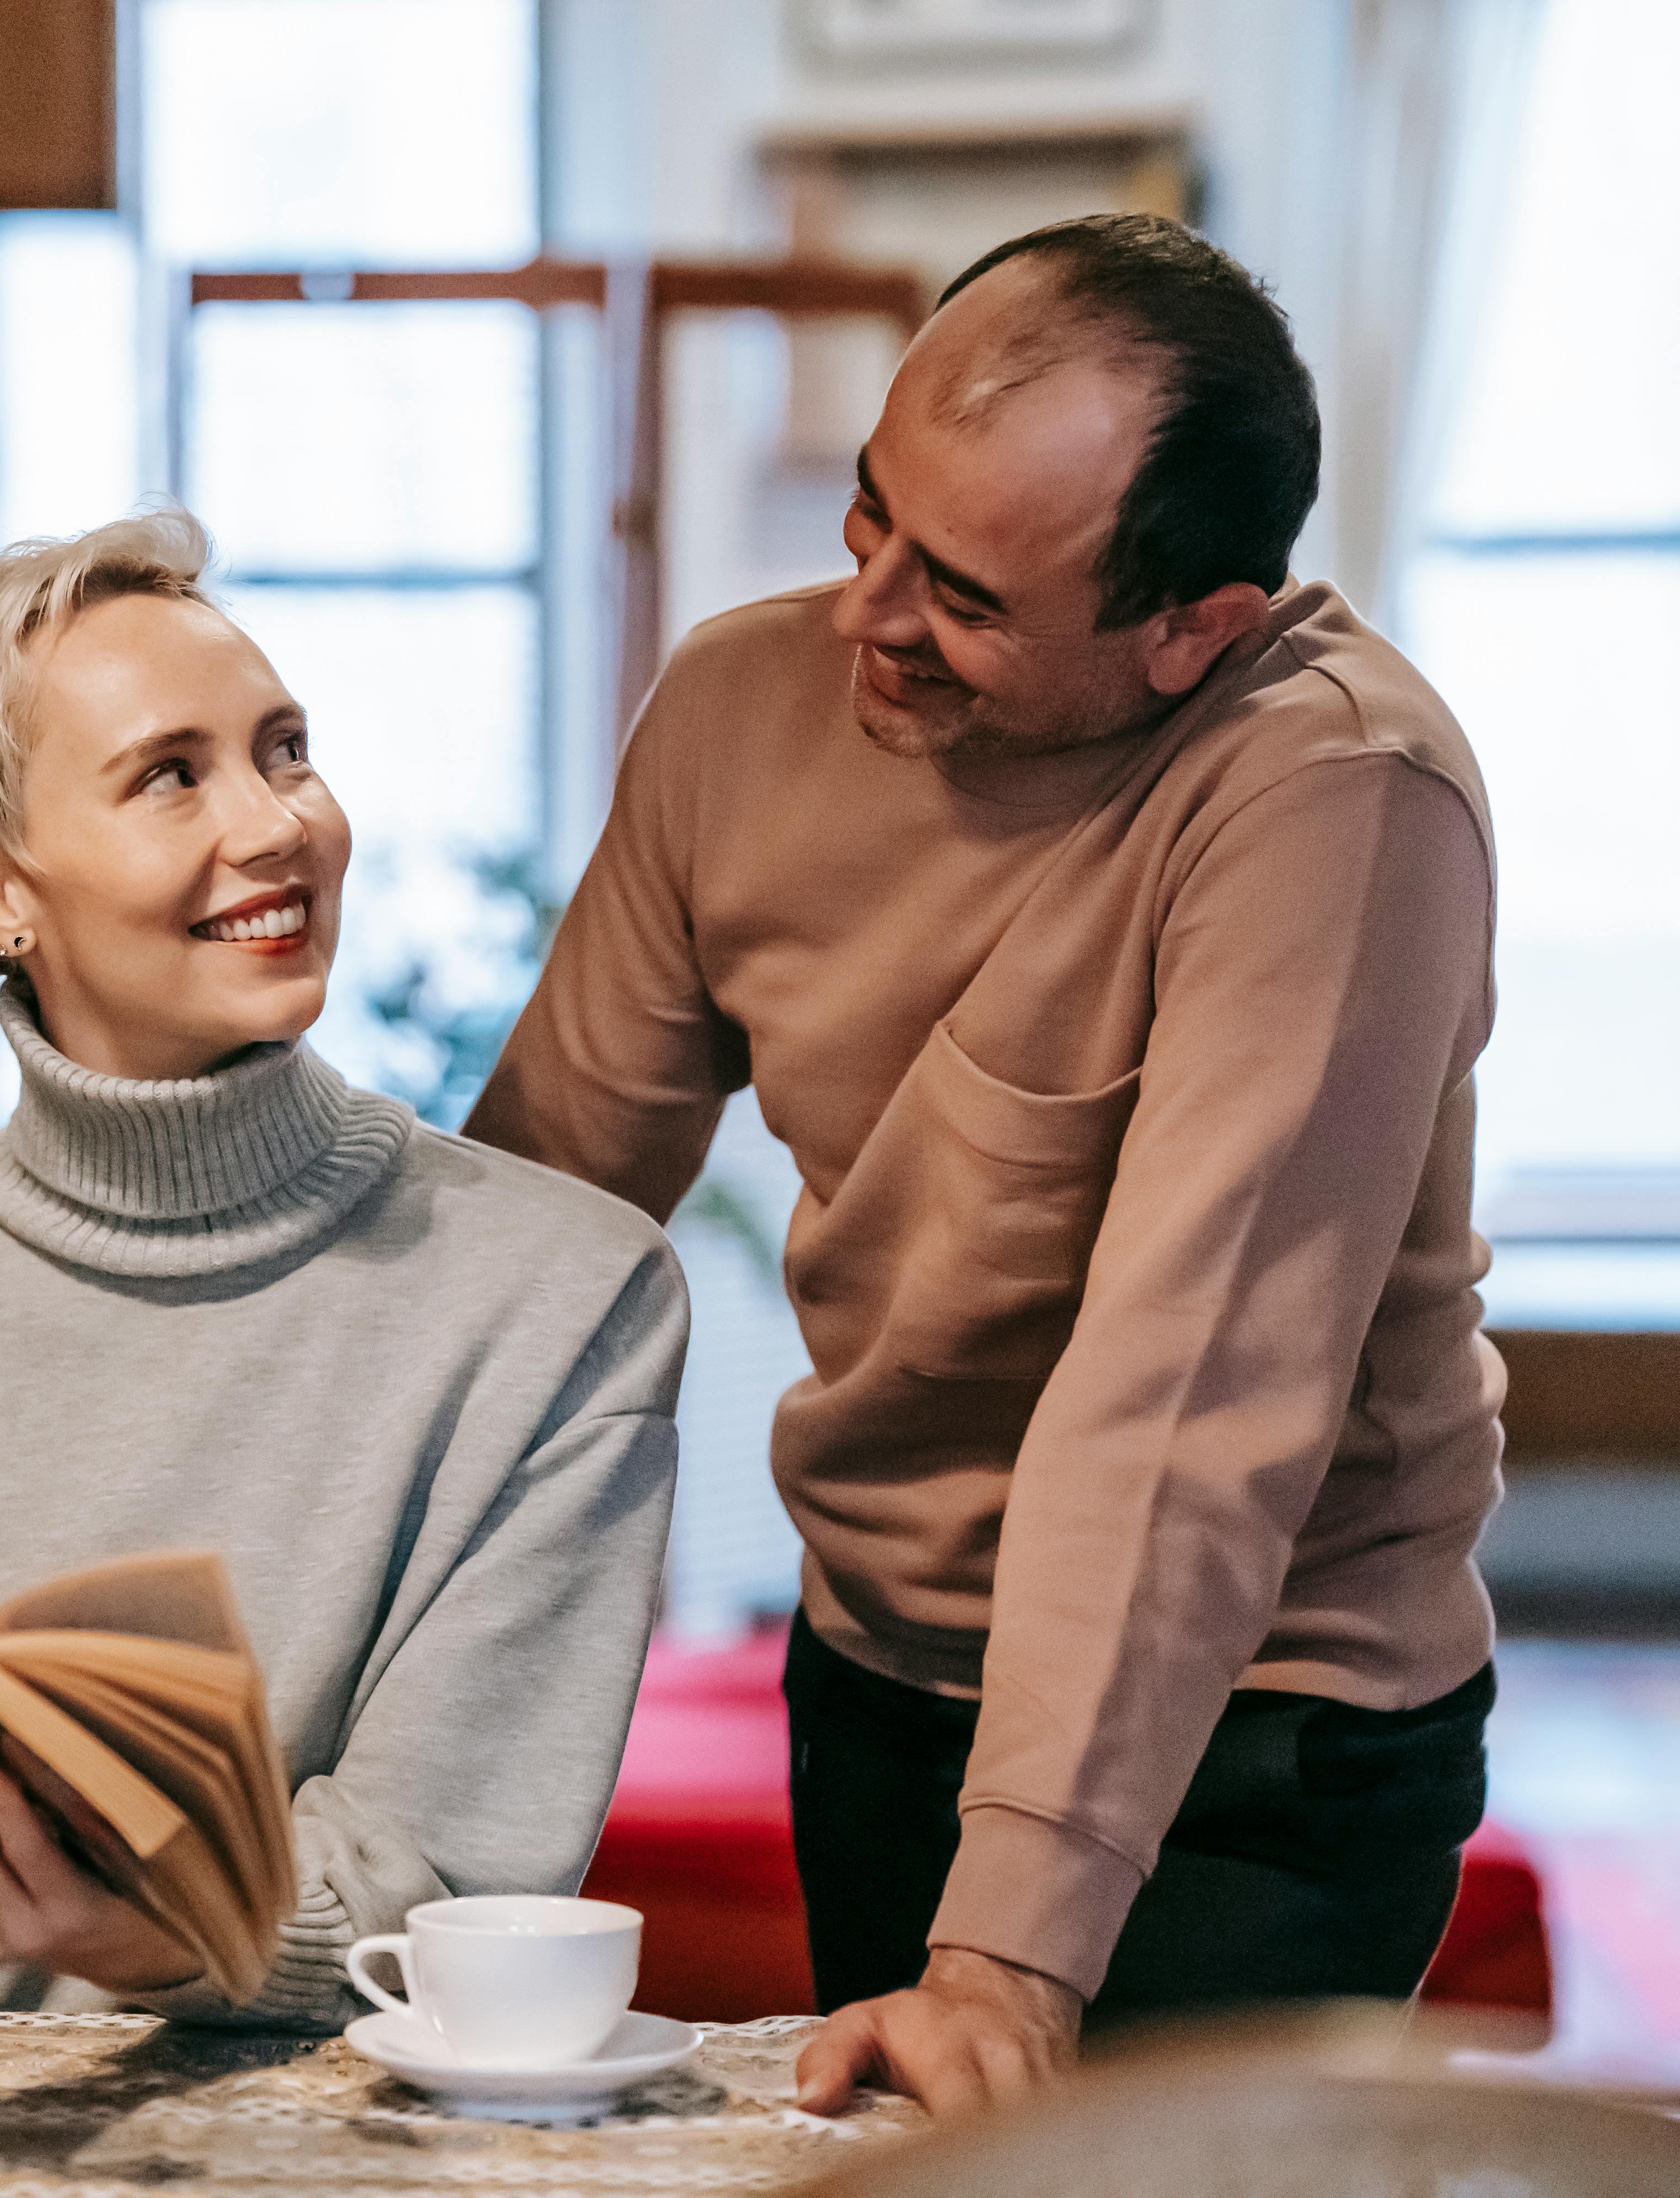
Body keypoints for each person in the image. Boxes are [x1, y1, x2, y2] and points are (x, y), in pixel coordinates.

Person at [466, 213, 1501, 2118]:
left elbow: (1188, 1395)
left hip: (1261, 1733)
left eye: (960, 591)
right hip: (883, 1678)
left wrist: (1009, 1955)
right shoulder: (735, 707)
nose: (863, 611)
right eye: (871, 518)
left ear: (1200, 628)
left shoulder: (1334, 795)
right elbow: (534, 1212)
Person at [0, 507, 688, 2066]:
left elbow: (451, 1895)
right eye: (174, 775)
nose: (280, 822)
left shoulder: (570, 1298)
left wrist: (180, 1930)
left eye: (284, 750)